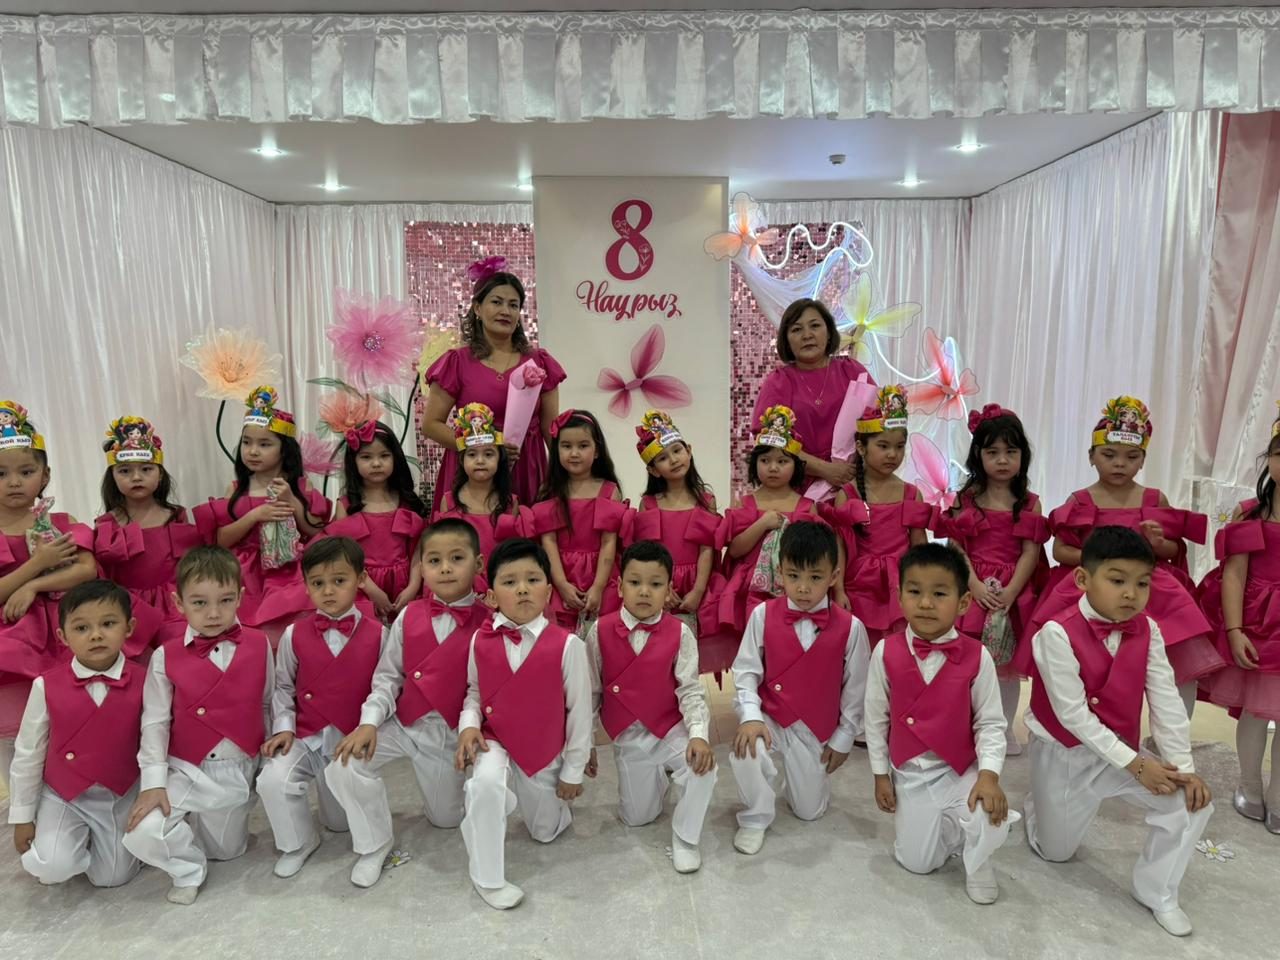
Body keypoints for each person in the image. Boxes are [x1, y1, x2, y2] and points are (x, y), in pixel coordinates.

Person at [1023, 526, 1213, 937]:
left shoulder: (1149, 629)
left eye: (1142, 583)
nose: (1131, 594)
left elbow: (1166, 699)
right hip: (1065, 753)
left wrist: (1183, 767)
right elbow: (1073, 715)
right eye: (1117, 580)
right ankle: (1039, 804)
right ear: (1082, 579)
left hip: (1121, 753)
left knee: (1191, 804)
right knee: (1056, 853)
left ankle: (1157, 891)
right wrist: (1137, 765)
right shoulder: (1055, 633)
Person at [1023, 396, 1224, 715]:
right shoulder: (1079, 501)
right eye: (1109, 455)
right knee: (1081, 660)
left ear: (1143, 461)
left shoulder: (1155, 499)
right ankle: (1086, 721)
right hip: (1090, 588)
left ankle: (1170, 730)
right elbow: (1061, 550)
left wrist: (1158, 542)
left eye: (1131, 457)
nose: (1120, 464)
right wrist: (1101, 561)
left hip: (1149, 588)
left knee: (1174, 662)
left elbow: (1174, 549)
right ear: (1091, 457)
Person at [325, 519, 494, 879]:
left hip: (448, 734)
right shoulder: (408, 615)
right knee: (343, 765)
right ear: (421, 568)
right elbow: (387, 677)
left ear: (479, 564)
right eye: (434, 561)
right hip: (403, 724)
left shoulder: (489, 624)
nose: (445, 568)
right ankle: (374, 844)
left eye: (456, 558)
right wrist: (369, 723)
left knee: (445, 819)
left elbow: (481, 691)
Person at [121, 546, 273, 905]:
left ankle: (201, 828)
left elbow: (268, 703)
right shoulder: (165, 655)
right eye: (200, 603)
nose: (214, 613)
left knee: (228, 853)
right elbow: (155, 722)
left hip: (239, 766)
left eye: (225, 600)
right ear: (178, 602)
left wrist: (267, 762)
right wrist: (153, 783)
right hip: (188, 767)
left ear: (240, 597)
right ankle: (188, 868)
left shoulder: (260, 643)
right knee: (143, 833)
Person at [864, 543, 1015, 904]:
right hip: (911, 772)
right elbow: (875, 718)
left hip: (959, 769)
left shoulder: (978, 656)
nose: (926, 603)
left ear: (963, 603)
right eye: (915, 592)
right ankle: (950, 831)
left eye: (940, 594)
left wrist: (989, 775)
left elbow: (990, 723)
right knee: (917, 864)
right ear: (899, 597)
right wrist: (880, 774)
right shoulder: (885, 651)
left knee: (986, 810)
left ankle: (977, 859)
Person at [454, 539, 592, 910]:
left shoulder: (568, 645)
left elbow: (580, 712)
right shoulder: (480, 640)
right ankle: (487, 877)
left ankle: (531, 803)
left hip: (542, 745)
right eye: (510, 581)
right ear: (491, 596)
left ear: (548, 591)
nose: (522, 589)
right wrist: (469, 725)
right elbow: (473, 692)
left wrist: (573, 771)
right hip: (495, 736)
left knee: (545, 832)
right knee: (484, 784)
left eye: (532, 580)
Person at [729, 520, 870, 856]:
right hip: (772, 718)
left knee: (809, 811)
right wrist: (751, 716)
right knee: (746, 749)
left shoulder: (852, 628)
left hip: (815, 728)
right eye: (794, 576)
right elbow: (745, 671)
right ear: (780, 573)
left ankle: (804, 782)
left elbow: (857, 690)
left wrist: (844, 737)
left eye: (815, 577)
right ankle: (754, 817)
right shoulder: (762, 614)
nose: (803, 588)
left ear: (834, 576)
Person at [257, 537, 386, 885]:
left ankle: (375, 846)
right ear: (306, 586)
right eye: (317, 583)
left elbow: (384, 687)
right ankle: (298, 842)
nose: (328, 591)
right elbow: (283, 686)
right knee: (272, 779)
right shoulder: (293, 634)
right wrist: (284, 727)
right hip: (308, 733)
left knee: (342, 816)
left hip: (352, 734)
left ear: (361, 579)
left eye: (339, 580)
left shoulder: (379, 634)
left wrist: (368, 725)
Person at [584, 540, 716, 874]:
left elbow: (690, 689)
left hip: (669, 727)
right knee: (637, 818)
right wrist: (585, 743)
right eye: (635, 582)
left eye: (655, 584)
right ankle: (658, 779)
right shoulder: (599, 631)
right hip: (628, 734)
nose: (644, 591)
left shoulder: (680, 632)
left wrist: (698, 735)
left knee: (704, 768)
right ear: (619, 586)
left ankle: (685, 838)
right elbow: (591, 692)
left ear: (669, 590)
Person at [931, 405, 1049, 754]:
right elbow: (956, 546)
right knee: (967, 661)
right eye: (992, 452)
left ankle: (1003, 729)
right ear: (978, 455)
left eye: (1010, 452)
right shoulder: (965, 499)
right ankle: (965, 726)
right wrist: (974, 585)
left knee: (1007, 668)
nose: (1002, 460)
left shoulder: (1030, 503)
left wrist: (1011, 592)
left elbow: (1030, 553)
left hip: (1013, 592)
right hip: (972, 587)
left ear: (1022, 456)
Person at [9, 580, 143, 887]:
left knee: (112, 878)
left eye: (108, 624)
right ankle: (65, 841)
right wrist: (23, 816)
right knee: (52, 868)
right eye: (82, 628)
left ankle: (102, 844)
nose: (96, 635)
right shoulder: (45, 685)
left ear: (129, 627)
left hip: (119, 792)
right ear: (63, 636)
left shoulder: (147, 680)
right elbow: (28, 752)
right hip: (63, 794)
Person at [0, 401, 96, 788]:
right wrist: (38, 564)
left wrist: (34, 585)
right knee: (15, 737)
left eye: (26, 471)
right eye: (1, 473)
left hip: (61, 636)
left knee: (66, 726)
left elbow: (87, 569)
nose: (14, 482)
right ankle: (20, 805)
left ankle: (70, 796)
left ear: (45, 475)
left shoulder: (59, 522)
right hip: (11, 644)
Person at [422, 258, 565, 507]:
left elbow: (550, 430)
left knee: (524, 530)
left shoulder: (539, 362)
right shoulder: (457, 362)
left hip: (525, 468)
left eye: (513, 305)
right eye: (496, 302)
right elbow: (431, 425)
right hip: (473, 470)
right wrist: (484, 446)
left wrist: (565, 478)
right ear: (477, 308)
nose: (505, 311)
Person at [1197, 407, 1280, 832]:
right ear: (1270, 459)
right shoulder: (1250, 514)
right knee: (1256, 710)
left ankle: (1279, 796)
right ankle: (1250, 785)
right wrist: (1233, 630)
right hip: (1258, 624)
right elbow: (1234, 574)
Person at [191, 385, 330, 633]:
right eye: (247, 443)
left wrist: (293, 501)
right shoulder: (235, 489)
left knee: (290, 623)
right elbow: (220, 540)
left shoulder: (300, 486)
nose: (253, 451)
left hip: (288, 568)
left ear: (284, 450)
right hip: (244, 572)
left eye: (265, 444)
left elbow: (316, 531)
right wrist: (255, 515)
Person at [826, 384, 931, 644]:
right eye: (883, 446)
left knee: (898, 649)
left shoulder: (911, 494)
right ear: (861, 448)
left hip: (900, 585)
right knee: (860, 649)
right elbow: (840, 546)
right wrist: (839, 590)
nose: (892, 454)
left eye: (899, 446)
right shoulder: (848, 494)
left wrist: (924, 590)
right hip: (860, 586)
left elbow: (919, 547)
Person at [630, 409, 730, 673]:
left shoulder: (706, 500)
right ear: (653, 470)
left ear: (689, 450)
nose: (673, 460)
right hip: (662, 584)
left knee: (691, 658)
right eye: (663, 458)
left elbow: (706, 549)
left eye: (677, 450)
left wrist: (698, 590)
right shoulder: (649, 503)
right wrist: (662, 588)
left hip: (697, 583)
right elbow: (648, 554)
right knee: (660, 652)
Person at [94, 415, 201, 659]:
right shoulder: (107, 524)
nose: (136, 477)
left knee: (181, 655)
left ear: (160, 474)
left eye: (146, 469)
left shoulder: (176, 515)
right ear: (113, 476)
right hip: (126, 608)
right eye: (125, 471)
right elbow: (103, 576)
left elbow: (191, 567)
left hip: (174, 605)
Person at [752, 298, 876, 490]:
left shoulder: (852, 371)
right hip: (795, 488)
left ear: (829, 333)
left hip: (853, 481)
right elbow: (769, 442)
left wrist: (854, 469)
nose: (807, 335)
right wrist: (825, 469)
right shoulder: (779, 382)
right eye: (796, 329)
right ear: (786, 341)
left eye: (815, 326)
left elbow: (878, 428)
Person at [718, 405, 817, 637]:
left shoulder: (807, 507)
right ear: (755, 463)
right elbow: (734, 550)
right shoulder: (744, 503)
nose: (773, 468)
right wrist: (761, 524)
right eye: (765, 460)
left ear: (796, 465)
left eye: (782, 461)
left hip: (795, 588)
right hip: (750, 588)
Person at [533, 409, 627, 632]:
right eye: (566, 446)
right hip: (560, 573)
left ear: (597, 450)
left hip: (601, 575)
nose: (574, 453)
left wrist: (598, 587)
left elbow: (608, 542)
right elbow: (549, 542)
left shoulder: (609, 491)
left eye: (583, 446)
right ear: (556, 449)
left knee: (602, 637)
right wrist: (562, 584)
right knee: (561, 637)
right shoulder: (549, 491)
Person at [325, 420, 429, 620]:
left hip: (404, 586)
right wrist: (370, 589)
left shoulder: (407, 502)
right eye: (366, 457)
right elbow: (343, 554)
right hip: (361, 586)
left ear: (395, 458)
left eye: (384, 455)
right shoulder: (346, 505)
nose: (376, 463)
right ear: (353, 461)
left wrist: (413, 586)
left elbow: (419, 551)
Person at [432, 402, 532, 592]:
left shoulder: (510, 502)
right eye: (472, 454)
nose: (480, 461)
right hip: (459, 585)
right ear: (462, 460)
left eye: (488, 454)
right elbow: (444, 548)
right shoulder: (449, 501)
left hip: (499, 585)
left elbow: (511, 553)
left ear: (499, 459)